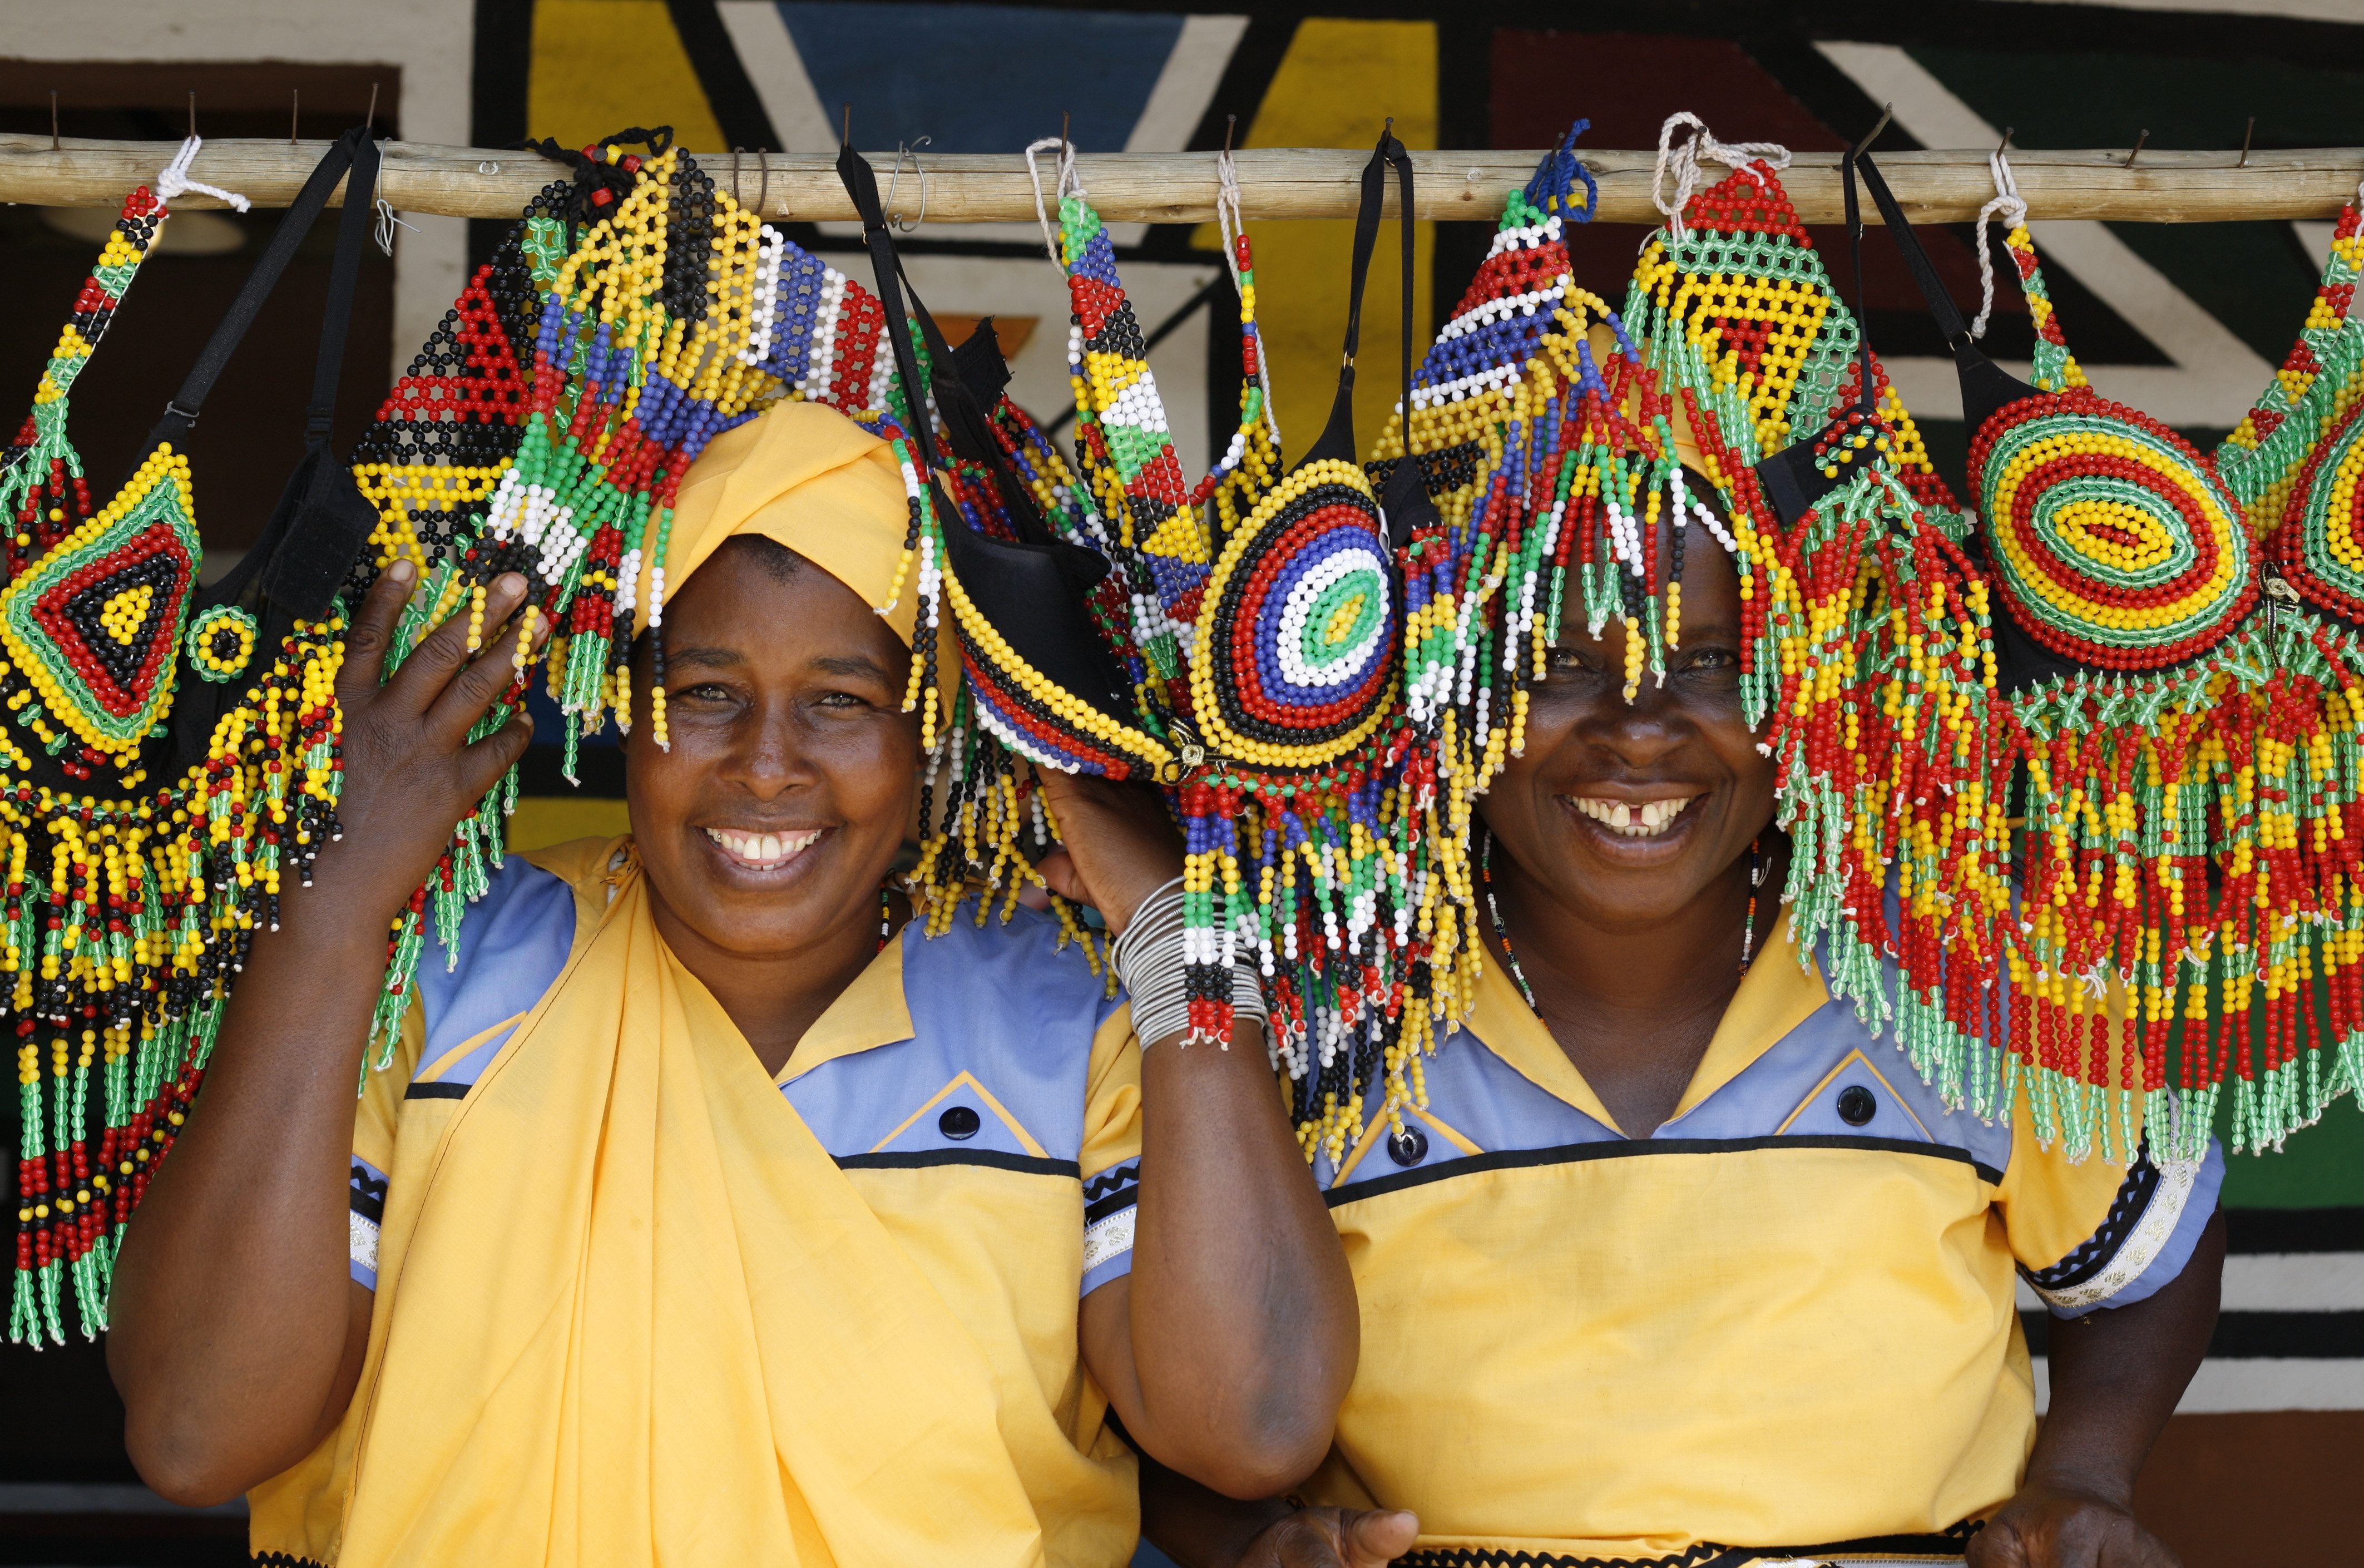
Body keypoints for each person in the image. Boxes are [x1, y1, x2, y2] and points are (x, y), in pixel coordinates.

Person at [106, 399, 1358, 1568]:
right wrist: (332, 909)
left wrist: (1173, 936)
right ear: (620, 711)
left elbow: (1251, 1424)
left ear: (932, 736)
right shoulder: (440, 975)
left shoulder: (1065, 1023)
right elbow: (197, 1431)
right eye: (706, 694)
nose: (766, 766)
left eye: (841, 700)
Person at [1140, 500, 2225, 1568]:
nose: (1640, 729)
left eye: (1708, 662)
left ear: (1796, 692)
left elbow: (2141, 1259)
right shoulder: (1321, 1012)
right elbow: (1158, 1376)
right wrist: (1249, 1543)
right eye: (1563, 666)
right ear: (1452, 696)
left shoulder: (1956, 970)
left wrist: (2081, 1475)